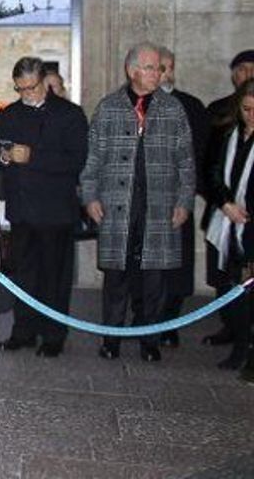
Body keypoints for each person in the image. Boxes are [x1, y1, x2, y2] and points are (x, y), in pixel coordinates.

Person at [81, 42, 194, 363]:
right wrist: (89, 197)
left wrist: (184, 202)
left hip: (158, 206)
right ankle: (111, 339)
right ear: (132, 71)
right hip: (117, 206)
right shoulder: (108, 107)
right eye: (150, 67)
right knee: (116, 277)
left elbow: (186, 162)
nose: (157, 73)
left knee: (154, 279)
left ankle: (149, 340)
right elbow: (93, 159)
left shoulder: (173, 109)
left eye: (160, 68)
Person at [0, 57, 88, 358]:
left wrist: (32, 157)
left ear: (44, 81)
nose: (26, 94)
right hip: (22, 209)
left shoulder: (69, 114)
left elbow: (77, 160)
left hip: (54, 211)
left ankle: (53, 335)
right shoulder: (10, 113)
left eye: (31, 88)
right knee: (24, 275)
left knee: (54, 278)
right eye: (20, 89)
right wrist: (4, 156)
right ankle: (22, 331)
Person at [200, 50, 254, 347]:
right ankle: (233, 332)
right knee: (225, 278)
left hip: (249, 221)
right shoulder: (224, 126)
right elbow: (210, 169)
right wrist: (225, 203)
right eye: (246, 109)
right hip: (224, 217)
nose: (251, 115)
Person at [158, 47, 209, 346]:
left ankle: (170, 322)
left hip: (177, 199)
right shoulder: (132, 104)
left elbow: (199, 154)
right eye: (157, 68)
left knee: (177, 267)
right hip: (144, 201)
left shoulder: (191, 106)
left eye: (167, 67)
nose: (163, 74)